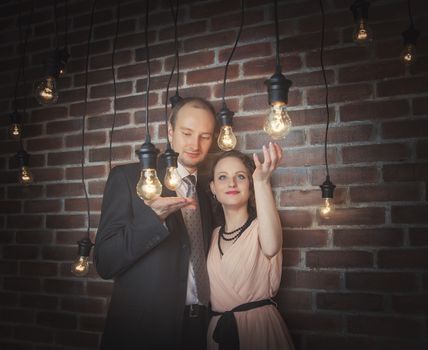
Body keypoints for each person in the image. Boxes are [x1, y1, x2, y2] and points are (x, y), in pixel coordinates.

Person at [94, 97, 217, 350]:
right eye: (187, 133)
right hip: (142, 333)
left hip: (200, 330)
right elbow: (105, 262)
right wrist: (154, 219)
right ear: (170, 133)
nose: (195, 144)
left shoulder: (207, 194)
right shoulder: (128, 178)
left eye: (205, 136)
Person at [207, 145, 295, 350]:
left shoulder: (261, 227)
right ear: (212, 188)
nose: (231, 183)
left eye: (240, 176)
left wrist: (262, 181)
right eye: (222, 177)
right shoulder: (212, 236)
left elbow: (272, 247)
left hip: (259, 331)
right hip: (218, 334)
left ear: (250, 184)